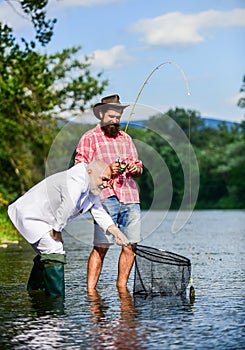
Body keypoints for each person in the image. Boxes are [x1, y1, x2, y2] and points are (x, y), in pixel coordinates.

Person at [8, 160, 129, 297]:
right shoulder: (75, 180)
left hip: (44, 219)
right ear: (90, 172)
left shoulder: (90, 188)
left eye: (109, 181)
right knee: (54, 250)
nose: (107, 184)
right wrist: (57, 230)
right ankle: (56, 302)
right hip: (30, 214)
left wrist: (116, 232)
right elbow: (68, 205)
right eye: (104, 179)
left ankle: (35, 292)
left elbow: (99, 213)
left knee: (48, 253)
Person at [75, 94, 143, 291]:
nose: (114, 120)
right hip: (104, 197)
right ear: (101, 114)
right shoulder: (89, 138)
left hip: (130, 196)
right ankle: (91, 290)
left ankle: (122, 288)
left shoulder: (126, 138)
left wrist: (134, 168)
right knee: (101, 245)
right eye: (111, 116)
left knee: (130, 245)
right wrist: (106, 169)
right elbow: (80, 168)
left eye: (117, 117)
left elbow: (138, 167)